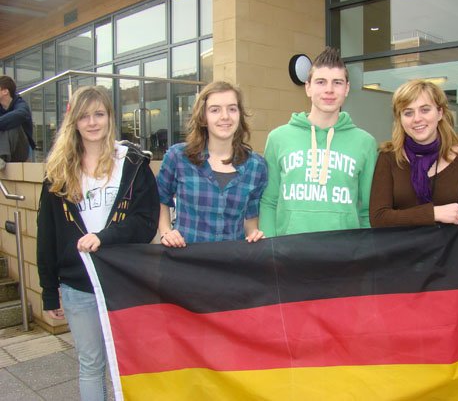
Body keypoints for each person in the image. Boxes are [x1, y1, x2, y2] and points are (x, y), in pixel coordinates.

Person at [36, 86, 160, 401]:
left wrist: (104, 238)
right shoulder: (58, 171)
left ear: (110, 117)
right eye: (84, 116)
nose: (92, 122)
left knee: (133, 362)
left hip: (126, 281)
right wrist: (49, 290)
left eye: (99, 114)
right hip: (78, 286)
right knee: (91, 365)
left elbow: (145, 222)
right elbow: (47, 234)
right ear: (74, 122)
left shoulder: (132, 163)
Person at [369, 79, 458, 329]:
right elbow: (379, 218)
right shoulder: (389, 159)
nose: (417, 119)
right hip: (398, 273)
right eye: (408, 112)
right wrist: (434, 213)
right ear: (399, 118)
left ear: (440, 112)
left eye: (425, 109)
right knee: (400, 343)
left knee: (443, 345)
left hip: (448, 274)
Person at [259, 47, 378, 236]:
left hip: (344, 250)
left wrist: (364, 249)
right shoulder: (278, 138)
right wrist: (271, 248)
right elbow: (269, 201)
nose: (329, 90)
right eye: (321, 82)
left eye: (337, 82)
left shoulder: (365, 143)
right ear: (308, 87)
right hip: (290, 250)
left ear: (347, 88)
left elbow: (367, 210)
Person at [157, 81, 267, 247]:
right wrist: (166, 232)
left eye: (232, 109)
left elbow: (251, 221)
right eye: (215, 110)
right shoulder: (178, 157)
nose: (225, 116)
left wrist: (254, 235)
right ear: (203, 117)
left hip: (232, 259)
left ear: (240, 114)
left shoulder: (256, 166)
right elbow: (161, 199)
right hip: (185, 257)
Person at [0, 75, 35, 169]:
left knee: (14, 122)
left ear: (5, 91)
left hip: (21, 149)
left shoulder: (20, 104)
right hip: (7, 149)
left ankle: (2, 156)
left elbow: (22, 114)